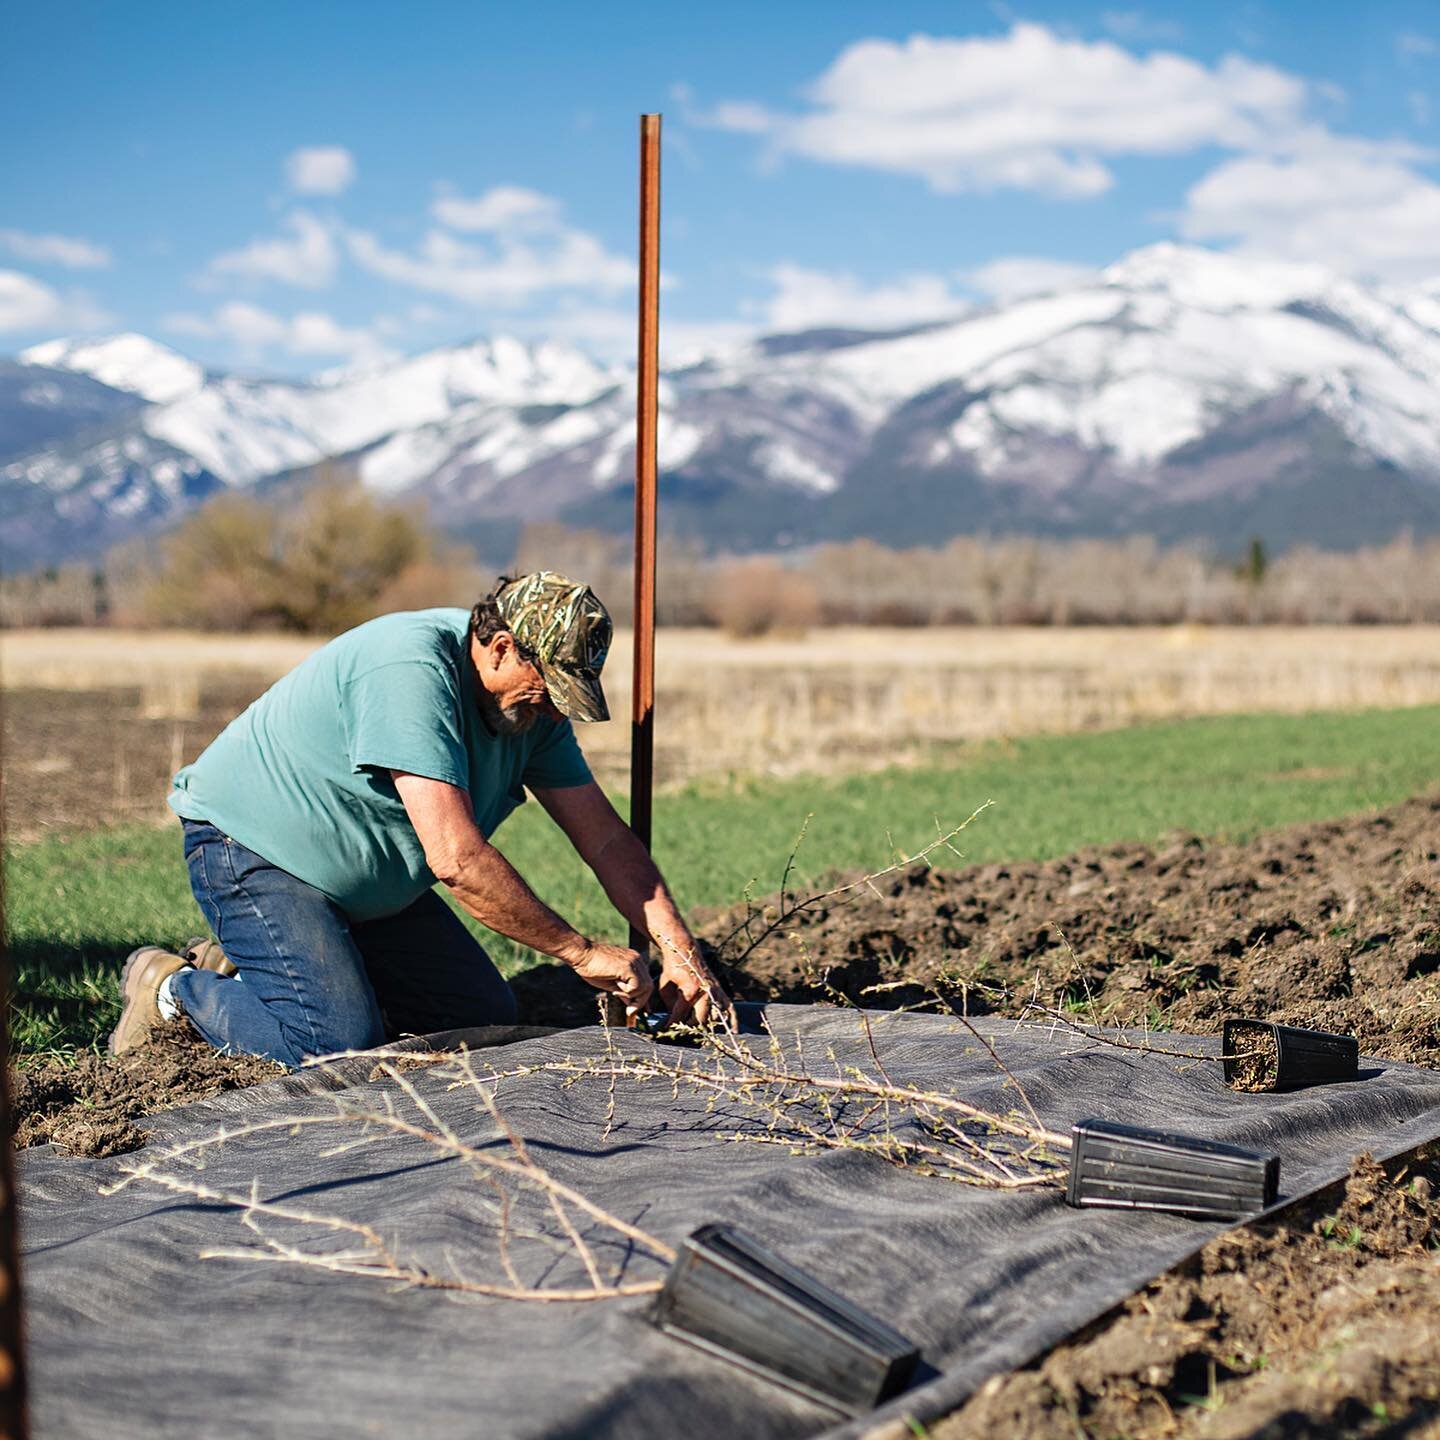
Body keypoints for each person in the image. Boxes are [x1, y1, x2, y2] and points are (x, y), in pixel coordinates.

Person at [108, 570, 730, 1066]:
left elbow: (605, 839)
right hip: (256, 850)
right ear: (501, 647)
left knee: (477, 1016)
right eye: (548, 688)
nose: (553, 710)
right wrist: (580, 952)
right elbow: (457, 860)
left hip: (368, 880)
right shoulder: (412, 669)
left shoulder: (531, 716)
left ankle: (265, 968)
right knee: (334, 1049)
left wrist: (678, 951)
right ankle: (172, 990)